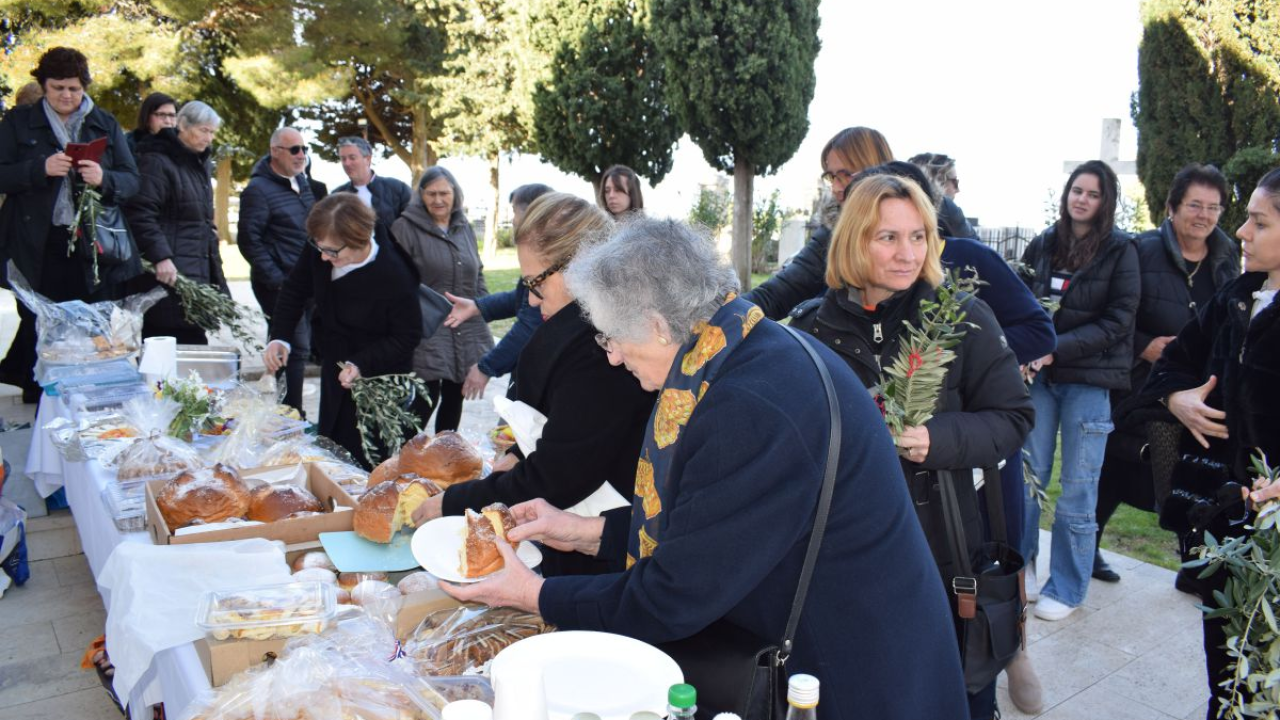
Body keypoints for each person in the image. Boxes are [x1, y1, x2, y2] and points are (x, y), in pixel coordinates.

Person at [442, 217, 970, 720]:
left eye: (610, 336)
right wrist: (586, 532)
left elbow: (676, 594)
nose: (611, 356)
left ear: (655, 324)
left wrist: (531, 594)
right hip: (852, 639)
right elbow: (717, 528)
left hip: (852, 670)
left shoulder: (749, 405)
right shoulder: (746, 348)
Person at [799, 174, 1033, 720]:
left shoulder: (960, 318)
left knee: (956, 693)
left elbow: (1015, 416)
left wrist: (940, 439)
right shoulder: (812, 330)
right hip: (849, 557)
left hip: (946, 552)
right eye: (888, 238)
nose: (908, 253)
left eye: (919, 236)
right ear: (855, 240)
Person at [411, 193, 656, 577]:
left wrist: (455, 501)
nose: (528, 297)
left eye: (536, 283)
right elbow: (573, 435)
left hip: (609, 548)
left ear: (578, 268)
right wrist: (522, 456)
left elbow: (559, 474)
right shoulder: (583, 331)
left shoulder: (600, 348)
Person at [1134, 169, 1280, 720]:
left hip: (1275, 530)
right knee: (1224, 646)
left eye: (1259, 222)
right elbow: (1173, 363)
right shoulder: (1237, 297)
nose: (1241, 232)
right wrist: (1177, 400)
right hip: (1225, 516)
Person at [1094, 164, 1239, 585]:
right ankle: (1088, 548)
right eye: (1194, 204)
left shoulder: (1226, 260)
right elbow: (1112, 312)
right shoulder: (1139, 250)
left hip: (1196, 389)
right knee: (1114, 469)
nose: (1204, 215)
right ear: (1172, 206)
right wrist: (1143, 343)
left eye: (1214, 207)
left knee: (1195, 473)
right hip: (1137, 384)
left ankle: (1192, 567)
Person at [1018, 160, 1139, 621]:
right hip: (1041, 380)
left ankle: (1067, 587)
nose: (1082, 199)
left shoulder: (1121, 250)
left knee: (1078, 488)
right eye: (1076, 190)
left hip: (1090, 382)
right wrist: (1030, 348)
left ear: (1106, 201)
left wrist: (1053, 348)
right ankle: (1021, 568)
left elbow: (1118, 320)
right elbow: (1020, 299)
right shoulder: (1045, 242)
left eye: (1092, 193)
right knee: (1029, 476)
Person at [0, 47, 140, 401]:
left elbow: (132, 180)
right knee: (41, 327)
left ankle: (90, 401)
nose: (66, 96)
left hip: (93, 247)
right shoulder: (19, 123)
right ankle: (42, 406)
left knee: (93, 327)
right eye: (58, 87)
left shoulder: (104, 122)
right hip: (37, 244)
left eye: (74, 89)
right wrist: (38, 169)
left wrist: (104, 179)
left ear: (84, 87)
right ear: (43, 86)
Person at [263, 194, 422, 467]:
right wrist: (281, 337)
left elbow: (407, 335)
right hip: (335, 361)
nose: (323, 257)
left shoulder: (395, 275)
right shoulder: (325, 243)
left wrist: (361, 363)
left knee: (363, 457)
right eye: (319, 247)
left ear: (359, 240)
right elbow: (294, 289)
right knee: (329, 444)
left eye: (333, 252)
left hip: (377, 378)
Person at [391, 166, 492, 432]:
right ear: (420, 195)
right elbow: (396, 279)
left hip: (464, 324)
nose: (438, 200)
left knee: (455, 395)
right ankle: (407, 458)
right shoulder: (405, 227)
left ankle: (445, 456)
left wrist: (484, 307)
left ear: (455, 195)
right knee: (425, 397)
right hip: (428, 326)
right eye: (431, 194)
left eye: (444, 193)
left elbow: (476, 271)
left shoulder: (463, 227)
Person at [124, 101, 229, 343]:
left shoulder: (198, 165)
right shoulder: (157, 161)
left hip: (194, 276)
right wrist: (161, 256)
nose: (209, 138)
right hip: (168, 277)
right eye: (204, 130)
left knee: (192, 353)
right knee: (163, 356)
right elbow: (140, 213)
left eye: (212, 132)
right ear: (183, 125)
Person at [443, 183, 553, 399]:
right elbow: (522, 297)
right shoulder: (540, 253)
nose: (512, 220)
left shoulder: (546, 257)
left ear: (532, 212)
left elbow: (530, 322)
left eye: (514, 211)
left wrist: (486, 367)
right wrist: (478, 306)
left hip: (543, 377)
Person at [237, 127, 316, 413]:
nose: (301, 155)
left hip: (306, 281)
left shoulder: (301, 183)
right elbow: (248, 239)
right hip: (280, 284)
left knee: (296, 348)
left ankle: (287, 412)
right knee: (294, 347)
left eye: (304, 149)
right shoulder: (258, 190)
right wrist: (277, 280)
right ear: (275, 152)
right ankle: (291, 414)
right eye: (294, 149)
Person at [331, 136, 412, 236]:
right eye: (343, 159)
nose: (347, 163)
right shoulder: (336, 196)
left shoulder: (397, 189)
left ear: (368, 158)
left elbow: (414, 224)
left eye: (352, 158)